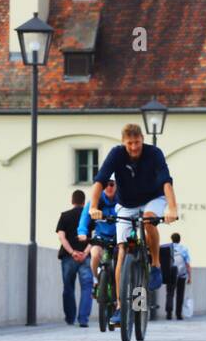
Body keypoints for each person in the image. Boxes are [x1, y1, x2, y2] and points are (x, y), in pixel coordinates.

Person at [88, 124, 178, 310]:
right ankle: (121, 306)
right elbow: (100, 180)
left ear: (142, 139)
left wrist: (172, 208)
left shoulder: (154, 153)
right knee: (122, 250)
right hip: (126, 203)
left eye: (137, 142)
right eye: (130, 143)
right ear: (123, 142)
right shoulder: (116, 154)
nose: (134, 147)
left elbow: (166, 181)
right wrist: (94, 207)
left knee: (148, 219)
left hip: (152, 198)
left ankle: (154, 263)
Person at [77, 178, 119, 325]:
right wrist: (82, 232)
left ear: (116, 185)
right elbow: (84, 218)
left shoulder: (122, 200)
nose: (109, 187)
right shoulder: (97, 200)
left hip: (117, 238)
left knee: (119, 264)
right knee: (95, 254)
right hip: (100, 237)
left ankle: (117, 293)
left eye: (112, 184)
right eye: (106, 184)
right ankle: (96, 280)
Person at [56, 190, 93, 327]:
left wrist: (72, 252)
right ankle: (83, 319)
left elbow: (61, 237)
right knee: (87, 287)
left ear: (72, 201)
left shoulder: (65, 216)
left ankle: (70, 318)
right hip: (86, 257)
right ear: (84, 202)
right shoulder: (89, 216)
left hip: (68, 257)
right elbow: (94, 236)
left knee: (68, 287)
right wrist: (85, 252)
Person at [165, 232, 190, 320]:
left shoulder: (168, 247)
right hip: (181, 274)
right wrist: (190, 276)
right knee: (180, 294)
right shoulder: (183, 249)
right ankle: (178, 314)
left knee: (170, 293)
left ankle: (168, 314)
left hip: (170, 273)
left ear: (171, 239)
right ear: (179, 239)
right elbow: (187, 264)